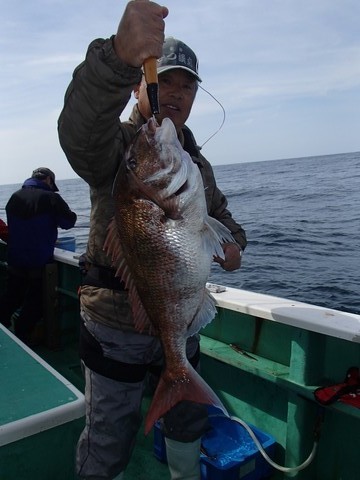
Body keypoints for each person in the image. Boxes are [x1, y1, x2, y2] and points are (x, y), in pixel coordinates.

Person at [58, 2, 247, 479]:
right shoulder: (121, 149)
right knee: (109, 437)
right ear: (139, 86)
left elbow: (223, 217)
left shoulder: (193, 164)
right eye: (166, 81)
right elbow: (79, 133)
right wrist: (118, 57)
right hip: (114, 327)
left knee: (189, 421)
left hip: (180, 321)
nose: (177, 94)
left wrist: (233, 246)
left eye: (188, 85)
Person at [0, 167, 77, 345]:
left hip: (15, 259)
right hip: (38, 261)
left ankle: (3, 327)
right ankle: (22, 333)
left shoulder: (14, 197)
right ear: (49, 180)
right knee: (36, 303)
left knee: (13, 297)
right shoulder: (51, 198)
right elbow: (68, 222)